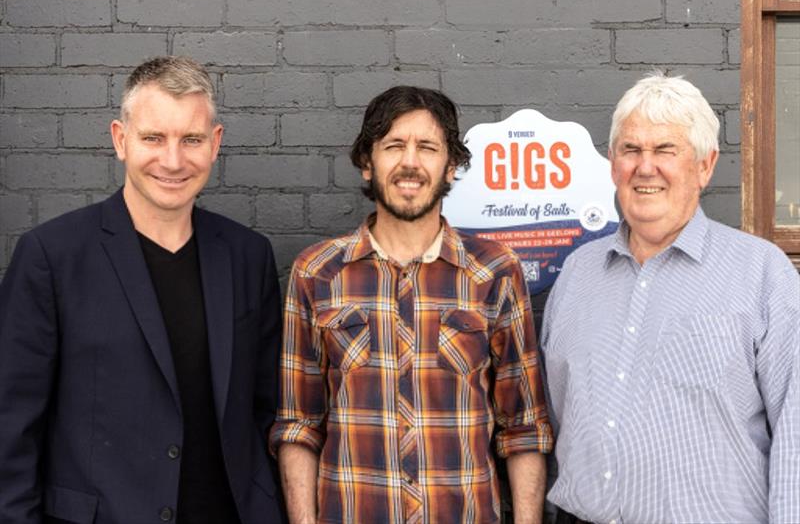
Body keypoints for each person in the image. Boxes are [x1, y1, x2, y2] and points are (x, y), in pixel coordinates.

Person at [0, 56, 284, 524]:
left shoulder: (246, 256)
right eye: (154, 138)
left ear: (214, 144)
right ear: (120, 139)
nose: (173, 160)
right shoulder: (51, 256)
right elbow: (12, 425)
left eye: (190, 139)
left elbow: (264, 409)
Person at [269, 86, 553, 524]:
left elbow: (523, 428)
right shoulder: (318, 273)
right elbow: (298, 425)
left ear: (452, 165)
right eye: (394, 146)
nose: (410, 162)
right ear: (368, 163)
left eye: (428, 147)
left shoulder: (495, 271)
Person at [541, 72, 800, 524]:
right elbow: (560, 415)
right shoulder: (578, 275)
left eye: (665, 150)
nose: (645, 167)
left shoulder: (762, 273)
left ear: (705, 165)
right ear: (612, 163)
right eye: (631, 149)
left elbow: (795, 435)